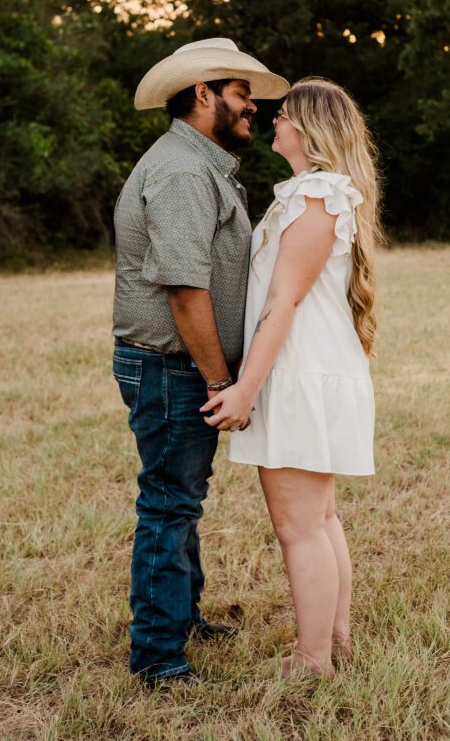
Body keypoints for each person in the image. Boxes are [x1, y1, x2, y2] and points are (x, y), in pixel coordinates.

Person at [112, 37, 289, 686]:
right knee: (170, 504)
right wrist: (221, 379)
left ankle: (181, 616)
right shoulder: (185, 172)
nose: (251, 109)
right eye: (242, 94)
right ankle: (158, 656)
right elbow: (185, 291)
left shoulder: (200, 163)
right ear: (204, 94)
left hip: (176, 364)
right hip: (170, 366)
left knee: (181, 498)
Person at [201, 77, 381, 678]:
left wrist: (244, 388)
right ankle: (336, 640)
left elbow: (283, 302)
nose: (270, 120)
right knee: (319, 518)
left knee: (298, 525)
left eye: (282, 115)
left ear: (305, 126)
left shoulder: (317, 197)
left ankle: (313, 660)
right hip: (309, 369)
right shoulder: (313, 194)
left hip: (301, 373)